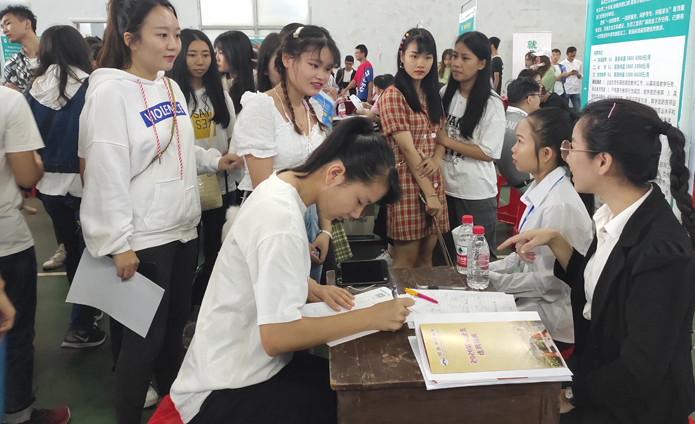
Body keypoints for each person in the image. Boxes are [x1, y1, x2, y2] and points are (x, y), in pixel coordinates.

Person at [170, 117, 411, 424]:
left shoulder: (281, 187)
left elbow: (260, 268)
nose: (355, 213)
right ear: (335, 174)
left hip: (247, 366)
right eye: (360, 201)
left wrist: (309, 286)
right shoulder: (280, 219)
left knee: (356, 390)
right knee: (362, 404)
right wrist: (371, 316)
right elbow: (277, 337)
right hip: (226, 387)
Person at [79, 0, 240, 424]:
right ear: (130, 39)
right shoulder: (110, 93)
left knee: (172, 337)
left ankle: (173, 414)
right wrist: (117, 243)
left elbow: (177, 151)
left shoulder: (168, 86)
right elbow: (105, 171)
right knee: (143, 343)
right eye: (161, 34)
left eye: (175, 34)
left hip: (182, 229)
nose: (173, 45)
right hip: (143, 239)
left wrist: (213, 161)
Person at [499, 98, 695, 423]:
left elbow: (640, 368)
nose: (566, 155)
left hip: (633, 408)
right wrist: (556, 239)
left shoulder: (662, 252)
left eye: (572, 147)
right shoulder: (614, 215)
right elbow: (603, 288)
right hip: (599, 378)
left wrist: (570, 395)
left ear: (603, 161)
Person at [232, 25, 337, 282]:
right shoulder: (261, 108)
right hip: (274, 224)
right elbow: (264, 190)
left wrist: (325, 231)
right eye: (314, 65)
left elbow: (320, 177)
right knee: (282, 296)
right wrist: (296, 239)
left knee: (308, 297)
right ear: (288, 59)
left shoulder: (312, 108)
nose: (322, 76)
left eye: (327, 69)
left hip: (311, 219)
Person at [27, 25, 106, 348]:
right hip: (86, 184)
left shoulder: (32, 90)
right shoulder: (92, 86)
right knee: (96, 253)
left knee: (73, 251)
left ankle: (85, 315)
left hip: (48, 187)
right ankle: (82, 323)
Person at [489, 108, 592, 347]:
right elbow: (525, 260)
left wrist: (494, 281)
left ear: (546, 153)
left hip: (552, 323)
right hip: (532, 304)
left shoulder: (559, 205)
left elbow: (551, 282)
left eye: (520, 141)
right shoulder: (541, 190)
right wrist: (487, 271)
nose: (513, 149)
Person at [1, 85, 71, 424]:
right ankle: (18, 413)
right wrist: (38, 164)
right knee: (15, 331)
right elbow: (27, 174)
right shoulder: (8, 101)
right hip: (6, 240)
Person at [168, 29, 238, 299]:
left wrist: (228, 156)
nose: (200, 61)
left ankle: (205, 299)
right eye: (192, 54)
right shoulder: (172, 96)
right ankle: (185, 302)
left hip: (220, 185)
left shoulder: (220, 95)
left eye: (206, 54)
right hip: (185, 186)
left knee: (216, 248)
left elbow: (231, 136)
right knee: (186, 249)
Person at [379, 28, 448, 268]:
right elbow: (408, 151)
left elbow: (442, 136)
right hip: (408, 185)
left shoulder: (432, 94)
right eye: (414, 56)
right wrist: (429, 194)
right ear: (402, 57)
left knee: (426, 257)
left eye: (428, 57)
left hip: (433, 180)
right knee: (405, 261)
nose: (421, 63)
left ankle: (423, 296)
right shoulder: (393, 95)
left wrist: (436, 159)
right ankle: (398, 296)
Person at [437, 31, 506, 255]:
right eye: (455, 56)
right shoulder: (446, 93)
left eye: (465, 58)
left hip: (475, 194)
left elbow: (488, 152)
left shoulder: (491, 104)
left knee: (477, 258)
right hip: (446, 190)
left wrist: (446, 141)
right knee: (445, 257)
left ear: (481, 64)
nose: (456, 63)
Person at [495, 77, 540, 194]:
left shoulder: (501, 118)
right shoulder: (528, 124)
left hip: (507, 181)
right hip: (528, 186)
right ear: (530, 99)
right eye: (538, 96)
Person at [214, 31, 256, 114]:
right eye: (216, 52)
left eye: (221, 53)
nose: (216, 58)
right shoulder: (219, 81)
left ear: (237, 54)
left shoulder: (255, 78)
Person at [0, 5, 39, 94]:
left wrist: (20, 93)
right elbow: (12, 98)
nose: (4, 30)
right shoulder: (12, 65)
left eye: (8, 23)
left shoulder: (54, 53)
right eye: (2, 27)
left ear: (27, 24)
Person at [561, 46, 583, 112]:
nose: (572, 58)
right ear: (567, 54)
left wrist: (577, 73)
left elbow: (581, 76)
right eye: (570, 56)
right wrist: (568, 74)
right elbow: (561, 77)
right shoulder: (562, 64)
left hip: (575, 89)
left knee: (578, 108)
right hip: (566, 88)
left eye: (574, 56)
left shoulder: (579, 63)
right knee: (565, 109)